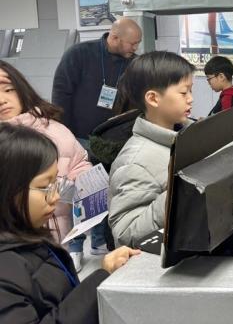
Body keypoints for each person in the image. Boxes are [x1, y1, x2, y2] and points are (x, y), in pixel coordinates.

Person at [0, 123, 139, 324]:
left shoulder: (29, 239)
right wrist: (99, 279)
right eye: (44, 187)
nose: (56, 196)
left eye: (55, 183)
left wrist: (103, 274)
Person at [0, 61, 90, 271]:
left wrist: (82, 180)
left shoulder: (54, 130)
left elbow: (79, 162)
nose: (2, 100)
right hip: (11, 251)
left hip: (59, 236)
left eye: (8, 90)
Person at [108, 51, 195, 247]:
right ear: (154, 99)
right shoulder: (135, 162)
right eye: (183, 92)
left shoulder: (187, 137)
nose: (190, 99)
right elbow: (125, 233)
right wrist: (177, 194)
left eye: (191, 91)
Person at [52, 17, 142, 143]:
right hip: (78, 136)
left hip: (114, 139)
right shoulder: (79, 53)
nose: (136, 48)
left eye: (138, 43)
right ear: (115, 38)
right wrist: (63, 132)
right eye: (132, 44)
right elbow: (61, 94)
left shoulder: (135, 63)